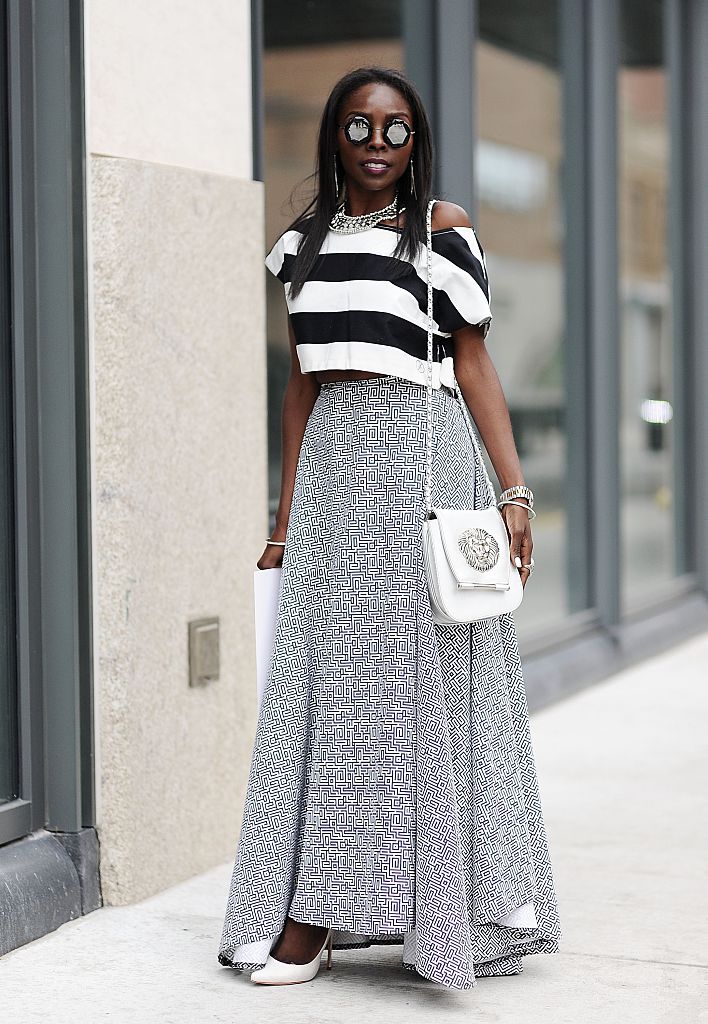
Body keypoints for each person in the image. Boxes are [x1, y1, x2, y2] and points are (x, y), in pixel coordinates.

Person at [217, 65, 561, 991]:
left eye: (397, 129)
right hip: (336, 472)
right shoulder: (302, 243)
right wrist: (285, 518)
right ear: (334, 134)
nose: (378, 144)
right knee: (328, 687)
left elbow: (474, 363)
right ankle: (319, 906)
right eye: (361, 126)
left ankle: (321, 921)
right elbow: (302, 386)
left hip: (419, 456)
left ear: (417, 141)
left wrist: (514, 490)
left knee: (398, 692)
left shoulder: (441, 230)